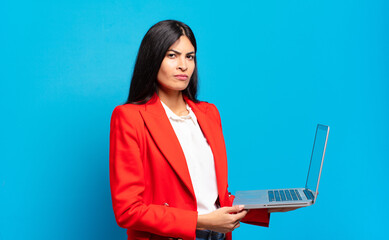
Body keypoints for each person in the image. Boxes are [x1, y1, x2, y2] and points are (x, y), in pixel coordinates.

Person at [109, 20, 270, 240]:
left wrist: (269, 206)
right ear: (153, 59)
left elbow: (214, 198)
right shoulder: (130, 117)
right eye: (172, 55)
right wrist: (200, 221)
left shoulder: (208, 113)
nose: (183, 65)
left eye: (190, 56)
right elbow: (128, 210)